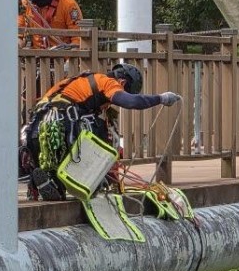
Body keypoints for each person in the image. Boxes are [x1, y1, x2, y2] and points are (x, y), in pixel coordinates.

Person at [20, 63, 182, 201]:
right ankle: (91, 179)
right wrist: (161, 98)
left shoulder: (76, 82)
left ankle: (45, 181)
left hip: (35, 130)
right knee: (97, 127)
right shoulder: (107, 82)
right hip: (63, 124)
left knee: (56, 182)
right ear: (123, 82)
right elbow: (131, 102)